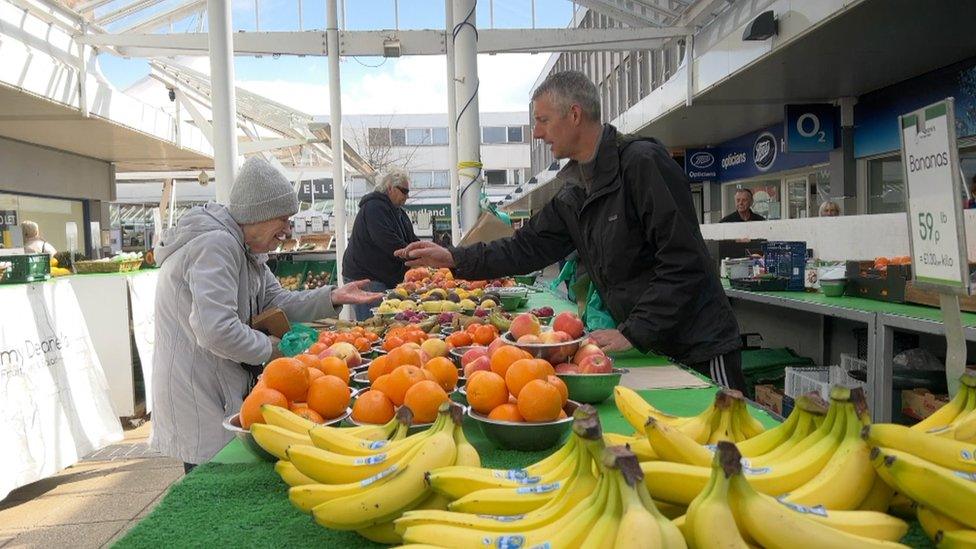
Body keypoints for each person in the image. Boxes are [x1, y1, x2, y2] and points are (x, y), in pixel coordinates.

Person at [395, 71, 744, 390]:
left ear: (574, 115)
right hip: (652, 344)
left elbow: (684, 261)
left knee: (729, 444)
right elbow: (524, 247)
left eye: (543, 120)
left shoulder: (642, 164)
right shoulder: (575, 191)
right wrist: (452, 257)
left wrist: (635, 332)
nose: (536, 133)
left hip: (699, 344)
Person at [149, 157, 382, 473]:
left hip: (219, 384)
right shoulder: (216, 245)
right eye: (284, 219)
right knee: (211, 483)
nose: (288, 230)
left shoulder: (247, 250)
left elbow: (279, 301)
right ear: (258, 214)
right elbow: (215, 329)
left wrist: (331, 297)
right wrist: (274, 349)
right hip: (199, 390)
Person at [342, 169, 419, 320]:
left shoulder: (399, 213)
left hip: (381, 276)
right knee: (375, 325)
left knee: (386, 322)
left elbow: (412, 240)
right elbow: (388, 241)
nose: (407, 196)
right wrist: (414, 258)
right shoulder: (374, 207)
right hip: (367, 277)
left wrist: (428, 252)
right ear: (390, 188)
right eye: (404, 191)